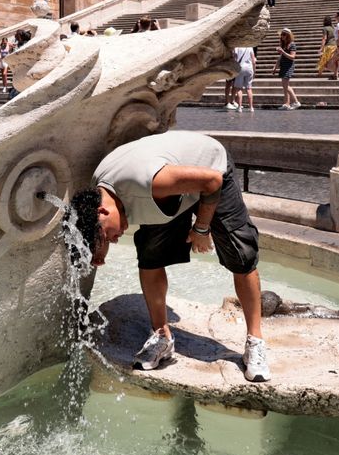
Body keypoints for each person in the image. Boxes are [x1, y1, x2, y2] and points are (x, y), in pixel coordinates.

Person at [69, 130, 271, 382]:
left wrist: (201, 228)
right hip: (171, 189)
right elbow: (103, 228)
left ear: (102, 212)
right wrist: (98, 251)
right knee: (150, 256)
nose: (114, 239)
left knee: (241, 255)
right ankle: (161, 336)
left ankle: (255, 341)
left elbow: (212, 182)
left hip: (210, 169)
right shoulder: (101, 194)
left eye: (108, 237)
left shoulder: (147, 183)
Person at [275, 28, 300, 110]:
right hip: (283, 66)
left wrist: (283, 52)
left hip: (289, 66)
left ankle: (296, 102)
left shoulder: (292, 44)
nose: (282, 36)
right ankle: (287, 103)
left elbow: (293, 57)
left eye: (284, 34)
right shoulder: (284, 44)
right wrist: (275, 67)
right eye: (281, 34)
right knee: (285, 85)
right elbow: (281, 57)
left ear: (288, 36)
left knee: (285, 85)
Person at [232, 44, 256, 112]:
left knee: (239, 88)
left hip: (240, 68)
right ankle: (251, 107)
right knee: (249, 88)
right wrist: (254, 70)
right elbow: (253, 61)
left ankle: (239, 107)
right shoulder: (250, 47)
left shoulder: (237, 47)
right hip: (249, 68)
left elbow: (235, 58)